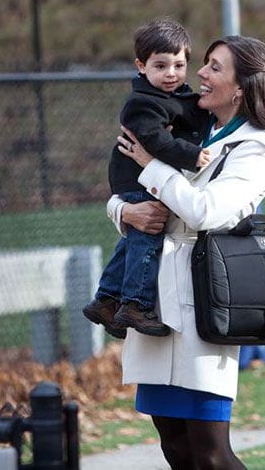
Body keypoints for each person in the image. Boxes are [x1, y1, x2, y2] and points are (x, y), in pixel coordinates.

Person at [104, 36, 265, 469]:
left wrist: (153, 165)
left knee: (210, 453)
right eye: (203, 64)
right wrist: (124, 212)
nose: (199, 74)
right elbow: (123, 192)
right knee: (173, 444)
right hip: (152, 303)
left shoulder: (257, 147)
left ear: (241, 87)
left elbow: (206, 212)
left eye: (214, 68)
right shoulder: (184, 126)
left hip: (203, 303)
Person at [83, 17, 211, 338]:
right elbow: (154, 140)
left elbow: (190, 113)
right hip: (136, 178)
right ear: (141, 66)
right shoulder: (142, 102)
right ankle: (135, 303)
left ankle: (107, 299)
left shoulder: (175, 95)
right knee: (147, 236)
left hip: (141, 178)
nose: (171, 73)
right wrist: (190, 155)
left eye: (179, 65)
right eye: (161, 66)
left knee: (132, 241)